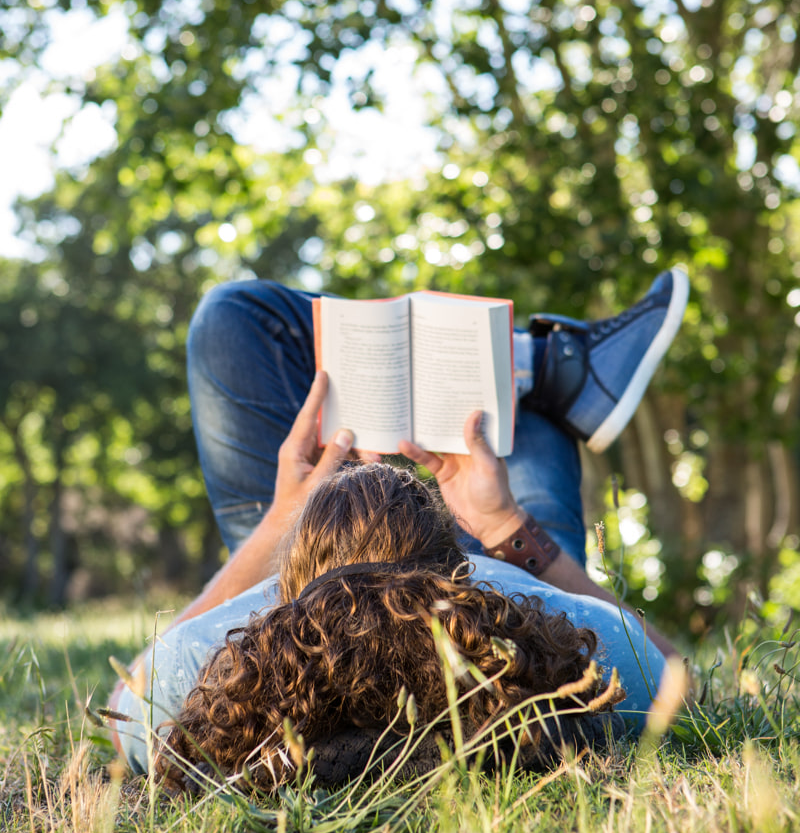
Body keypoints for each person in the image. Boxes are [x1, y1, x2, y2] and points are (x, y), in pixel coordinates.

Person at [110, 268, 689, 784]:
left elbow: (119, 703)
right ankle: (533, 370)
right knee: (521, 425)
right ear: (459, 566)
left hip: (364, 595)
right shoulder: (552, 635)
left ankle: (531, 368)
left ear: (282, 587)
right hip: (492, 590)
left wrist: (278, 525)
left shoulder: (208, 670)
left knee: (232, 316)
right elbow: (680, 680)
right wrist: (505, 526)